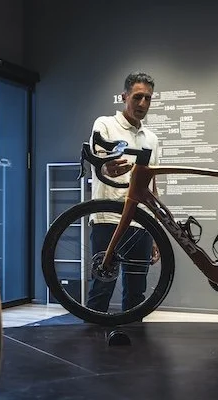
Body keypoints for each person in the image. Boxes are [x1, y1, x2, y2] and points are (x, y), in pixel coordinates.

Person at [87, 71, 160, 313]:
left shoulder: (152, 138)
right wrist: (105, 166)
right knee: (102, 286)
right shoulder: (105, 124)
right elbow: (98, 159)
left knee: (137, 292)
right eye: (137, 97)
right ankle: (92, 335)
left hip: (141, 223)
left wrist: (155, 232)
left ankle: (134, 335)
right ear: (124, 96)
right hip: (109, 219)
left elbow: (153, 186)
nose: (143, 103)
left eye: (148, 98)